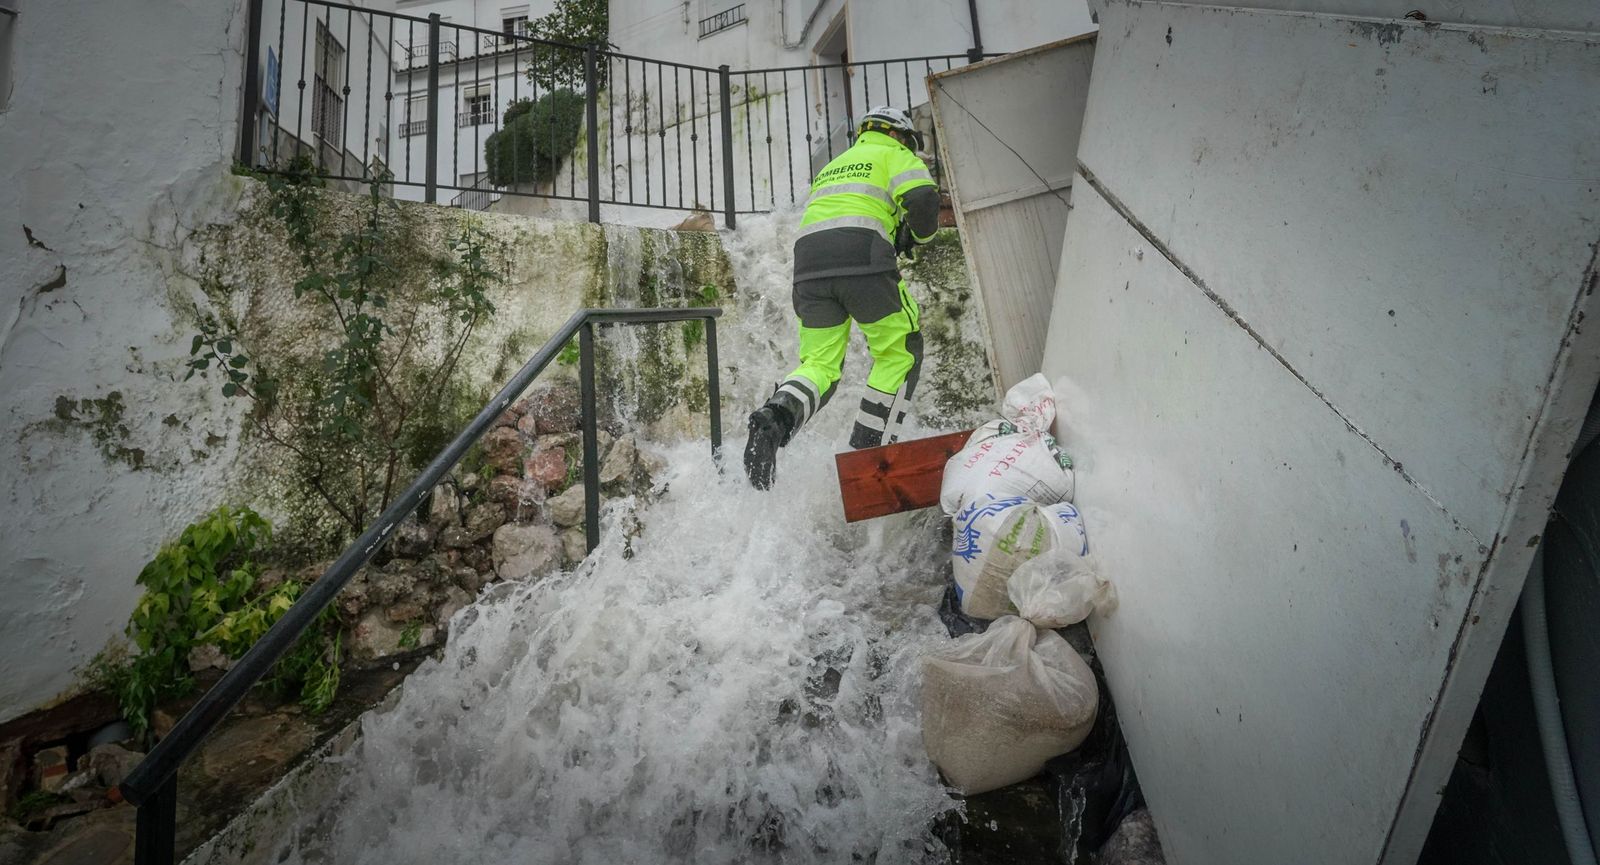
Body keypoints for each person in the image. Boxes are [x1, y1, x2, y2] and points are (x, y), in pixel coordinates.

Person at [743, 106, 942, 489]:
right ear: (900, 135)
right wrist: (917, 237)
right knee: (900, 351)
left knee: (819, 364)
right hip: (862, 255)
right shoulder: (894, 153)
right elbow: (922, 199)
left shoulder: (836, 164)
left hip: (808, 264)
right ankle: (869, 457)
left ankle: (775, 416)